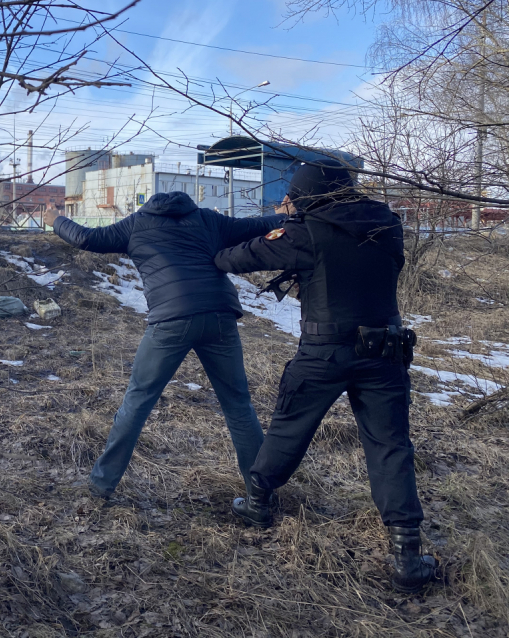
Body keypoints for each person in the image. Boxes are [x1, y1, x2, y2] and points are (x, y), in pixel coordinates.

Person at [214, 158, 436, 593]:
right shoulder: (387, 224)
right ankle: (407, 556)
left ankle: (258, 504)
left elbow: (234, 259)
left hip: (324, 352)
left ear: (307, 196)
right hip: (386, 350)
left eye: (292, 195)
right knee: (390, 446)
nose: (286, 202)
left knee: (290, 427)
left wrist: (237, 240)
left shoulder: (304, 232)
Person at [43, 193, 283, 501]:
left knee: (138, 400)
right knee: (238, 406)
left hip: (171, 319)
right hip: (219, 315)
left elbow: (86, 238)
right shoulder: (208, 219)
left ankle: (101, 485)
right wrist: (287, 213)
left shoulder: (137, 224)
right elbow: (259, 226)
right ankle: (261, 498)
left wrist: (56, 220)